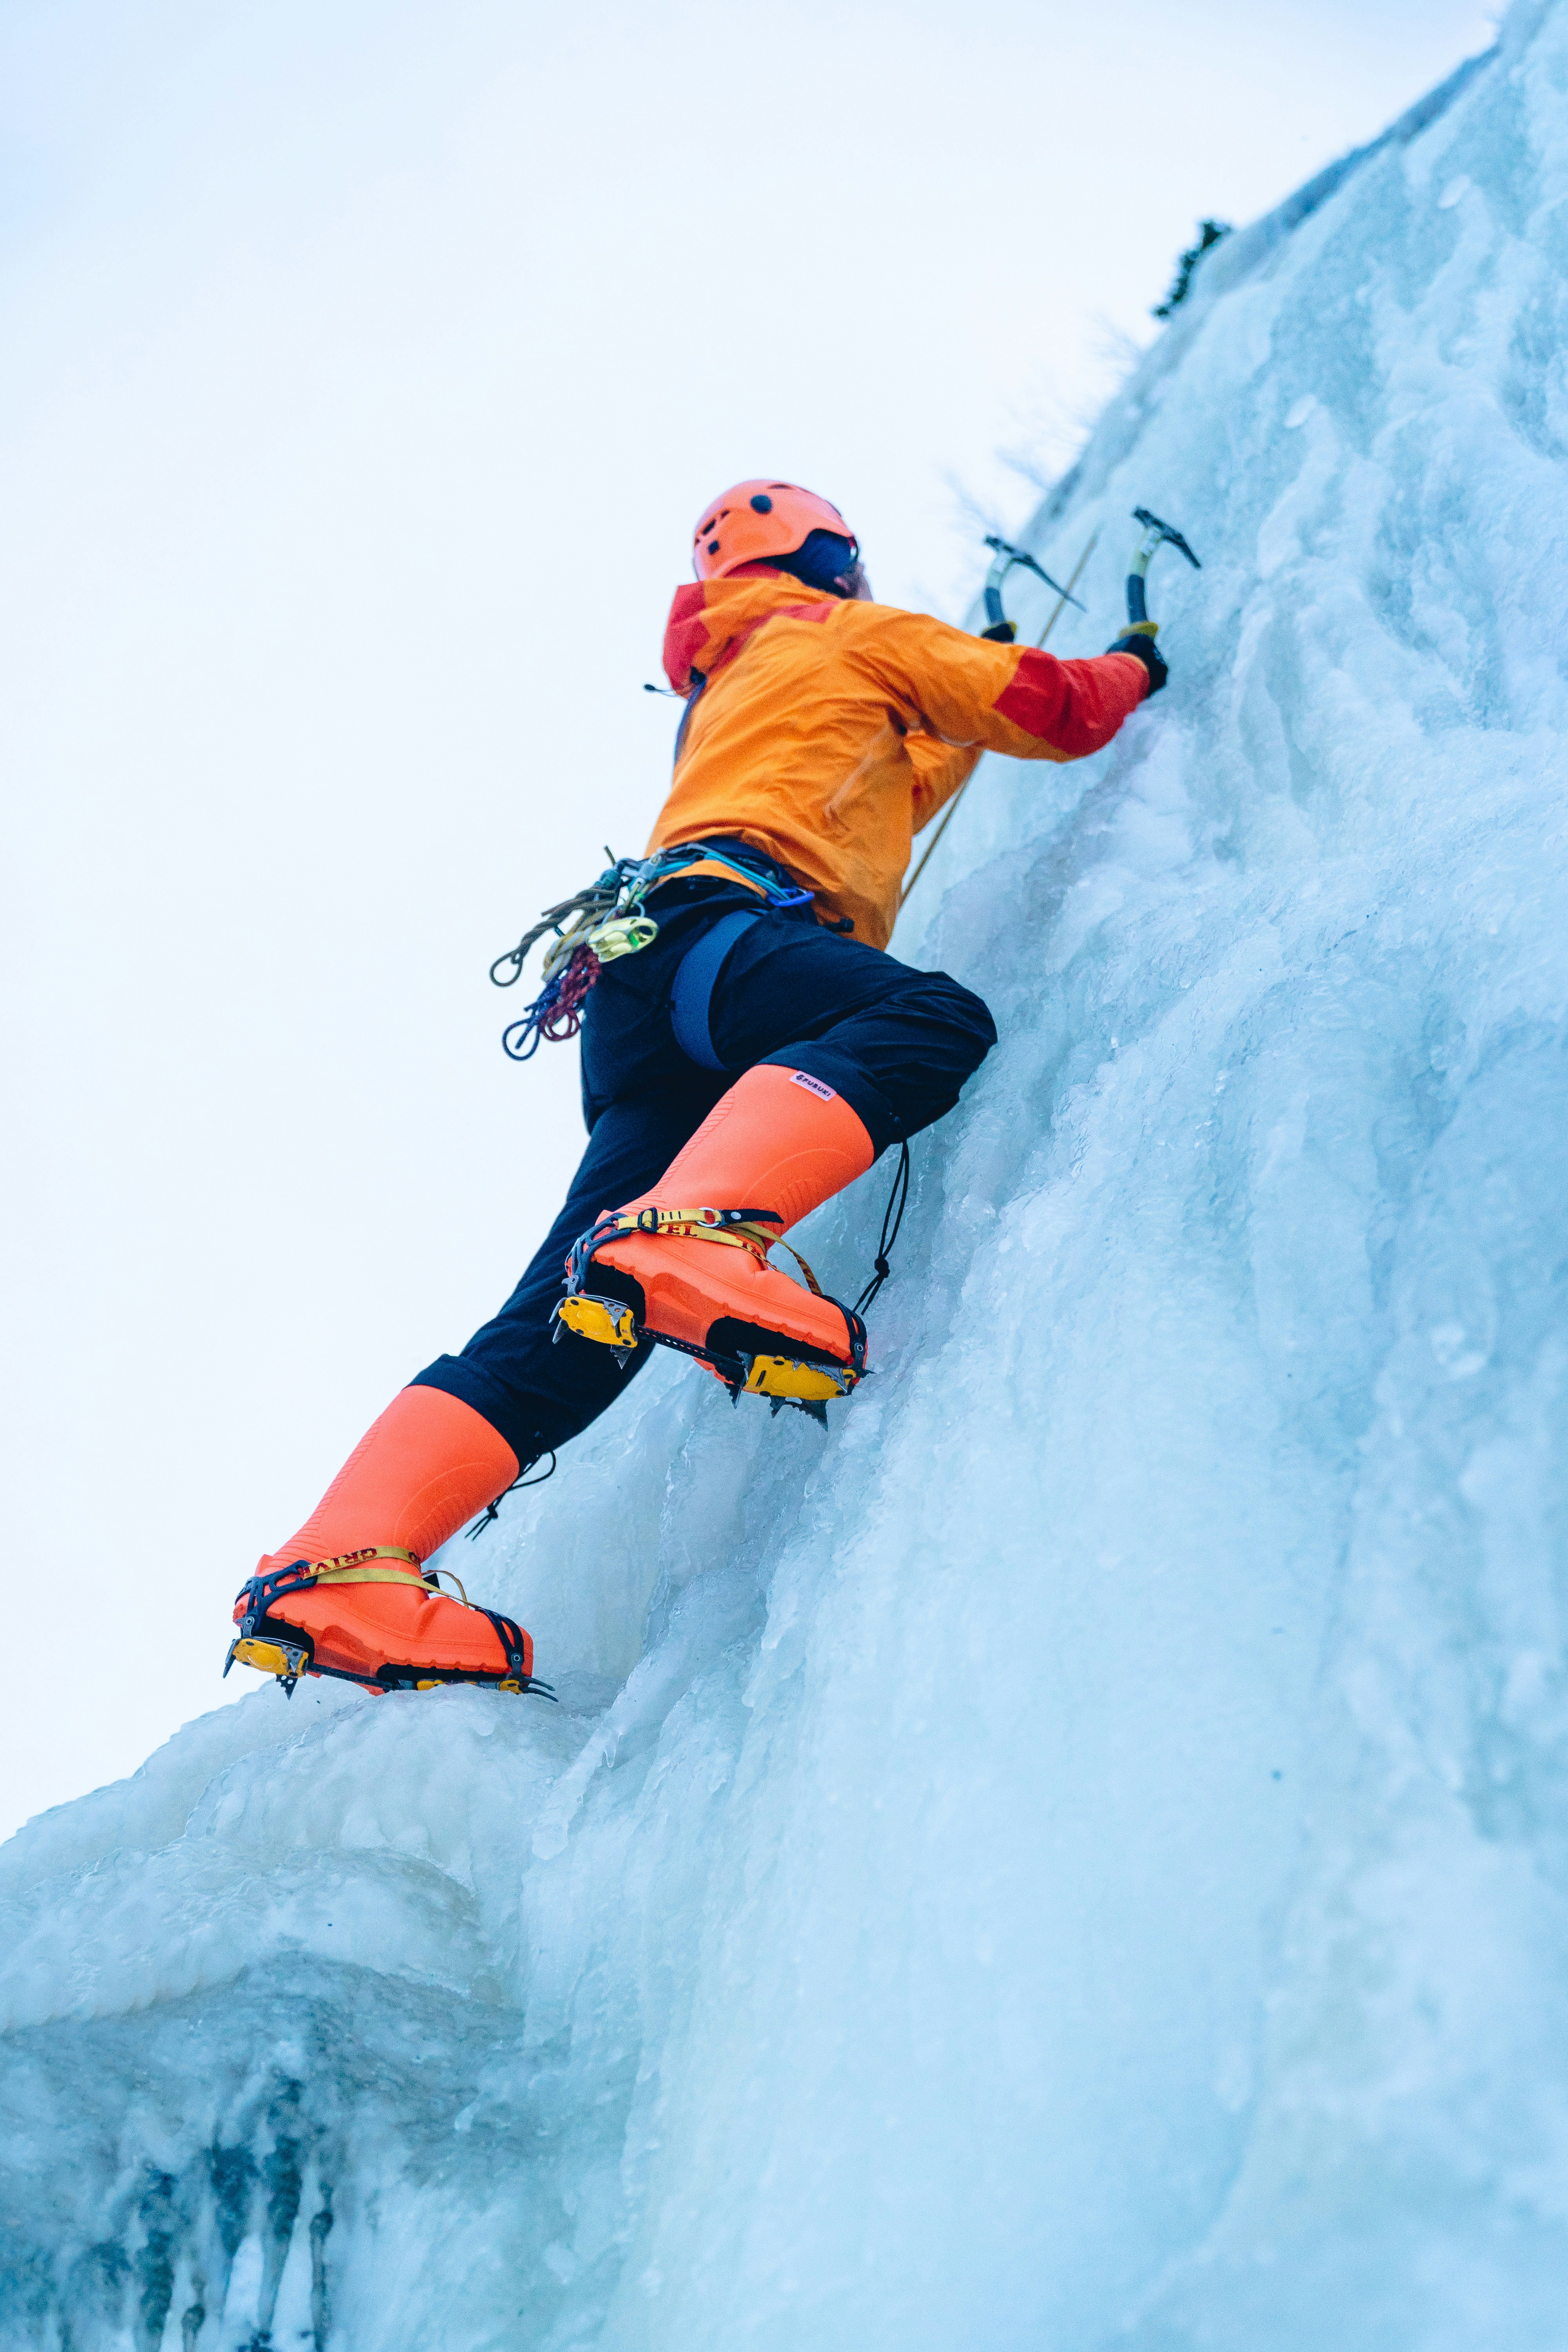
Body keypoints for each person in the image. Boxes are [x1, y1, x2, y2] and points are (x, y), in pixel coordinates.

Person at [227, 480, 1164, 1699]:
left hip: (647, 983)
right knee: (922, 1017)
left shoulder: (734, 684)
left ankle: (339, 1560)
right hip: (727, 940)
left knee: (572, 1320)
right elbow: (1054, 708)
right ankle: (699, 1233)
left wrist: (952, 702)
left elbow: (896, 774)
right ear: (833, 559)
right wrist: (1133, 668)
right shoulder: (843, 632)